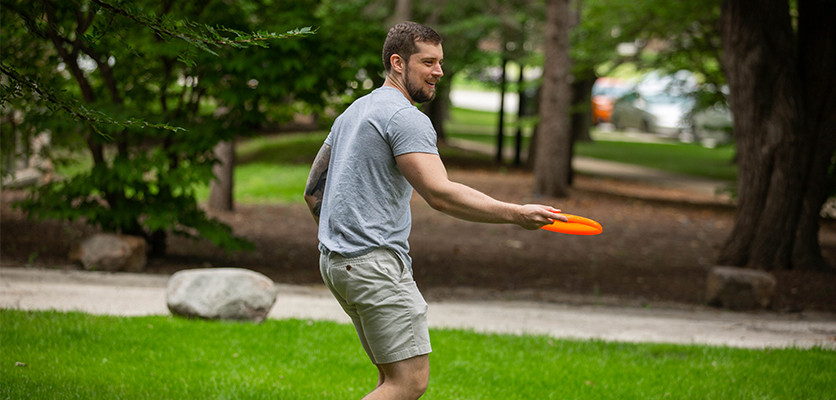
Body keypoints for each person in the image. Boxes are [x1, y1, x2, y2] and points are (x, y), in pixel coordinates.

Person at [304, 21, 566, 400]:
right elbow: (440, 194)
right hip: (373, 264)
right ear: (398, 62)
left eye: (440, 62)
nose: (439, 72)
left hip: (338, 262)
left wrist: (341, 239)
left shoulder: (356, 111)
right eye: (428, 62)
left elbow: (313, 189)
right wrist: (516, 214)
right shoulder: (405, 117)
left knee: (389, 380)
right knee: (408, 383)